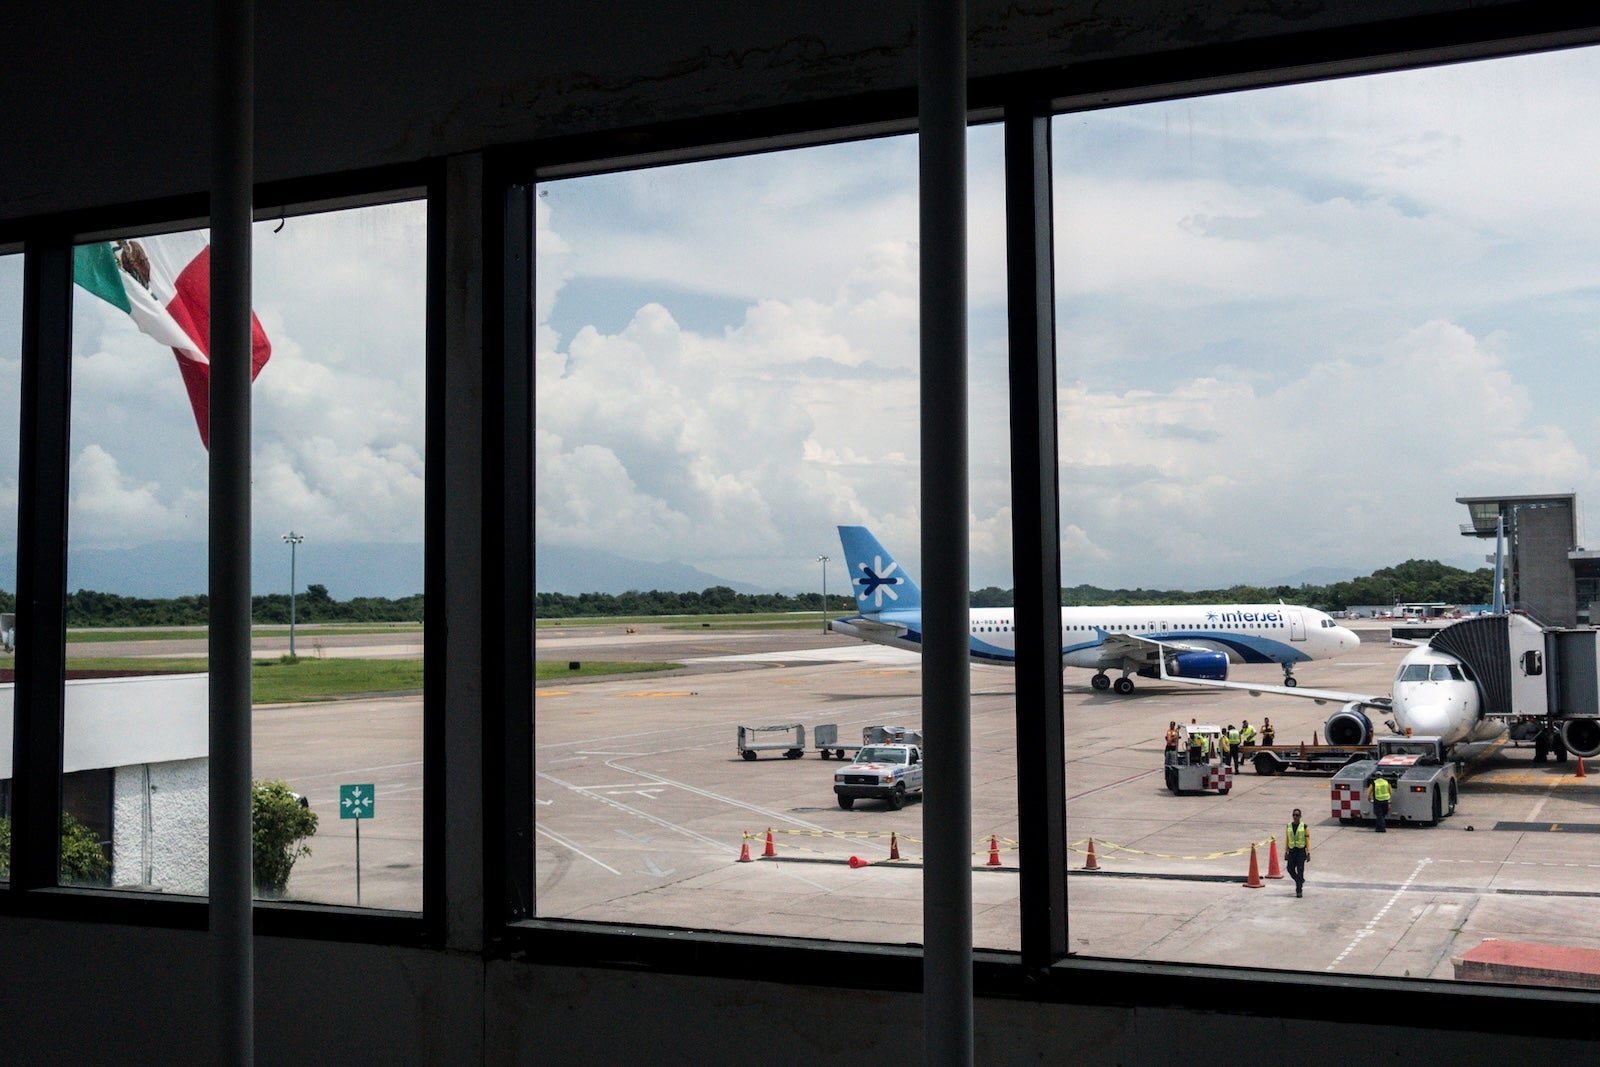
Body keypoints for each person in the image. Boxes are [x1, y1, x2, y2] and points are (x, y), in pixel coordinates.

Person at [1285, 808, 1309, 897]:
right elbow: (1287, 839)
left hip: (1300, 851)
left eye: (1297, 815)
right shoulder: (1289, 826)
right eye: (1294, 815)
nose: (1295, 817)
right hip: (1292, 851)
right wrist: (1286, 851)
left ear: (1300, 816)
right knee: (1290, 869)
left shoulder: (1304, 827)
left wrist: (1308, 852)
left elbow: (1308, 840)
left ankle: (1299, 890)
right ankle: (1300, 880)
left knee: (1300, 870)